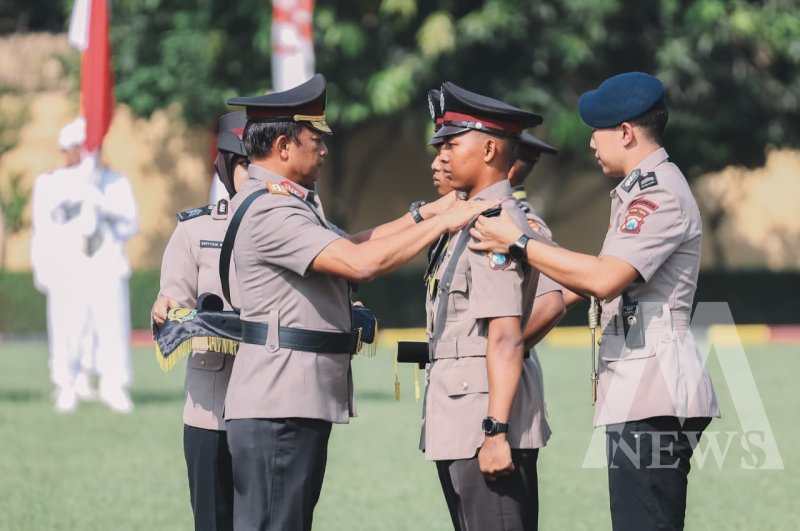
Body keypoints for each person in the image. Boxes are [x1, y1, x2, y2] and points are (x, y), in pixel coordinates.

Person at [222, 74, 491, 531]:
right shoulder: (272, 209)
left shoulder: (291, 202)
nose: (324, 150)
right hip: (278, 402)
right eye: (315, 139)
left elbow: (350, 243)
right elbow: (361, 262)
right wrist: (449, 221)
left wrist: (426, 213)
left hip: (289, 398)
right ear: (284, 146)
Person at [469, 72, 719, 531]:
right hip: (642, 390)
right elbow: (586, 281)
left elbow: (604, 279)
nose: (590, 144)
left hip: (654, 393)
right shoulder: (639, 189)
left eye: (596, 131)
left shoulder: (657, 193)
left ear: (625, 132)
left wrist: (520, 242)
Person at [419, 80, 552, 531]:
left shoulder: (494, 224)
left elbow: (504, 335)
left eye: (452, 145)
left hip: (482, 423)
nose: (441, 156)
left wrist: (495, 431)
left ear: (491, 149)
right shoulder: (468, 218)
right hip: (460, 416)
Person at [150, 111, 249, 531]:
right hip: (211, 411)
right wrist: (167, 307)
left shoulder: (298, 225)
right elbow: (172, 307)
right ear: (226, 166)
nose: (252, 173)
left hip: (275, 405)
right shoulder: (196, 230)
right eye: (244, 163)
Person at [30, 118, 90, 413]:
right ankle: (63, 381)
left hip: (88, 265)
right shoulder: (48, 182)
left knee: (87, 326)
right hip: (59, 265)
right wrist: (40, 265)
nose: (70, 154)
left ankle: (83, 377)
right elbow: (40, 228)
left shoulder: (94, 180)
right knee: (62, 326)